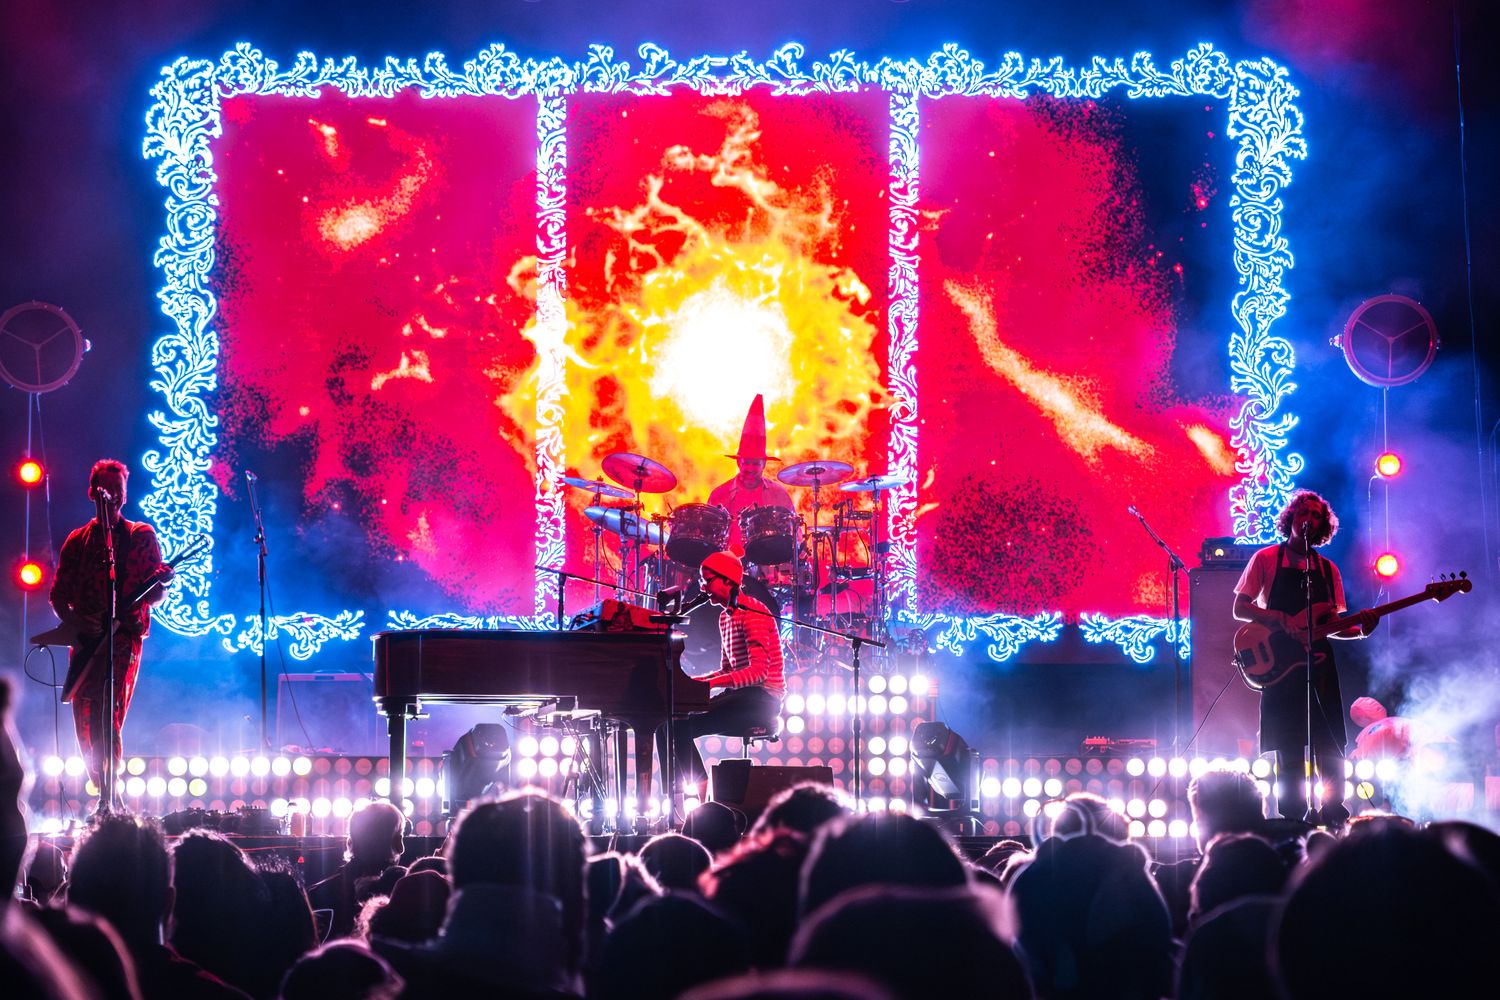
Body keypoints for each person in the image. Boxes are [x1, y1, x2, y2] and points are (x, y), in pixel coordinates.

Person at [1232, 490, 1378, 826]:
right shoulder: (1267, 558)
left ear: (1323, 526)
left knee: (1329, 745)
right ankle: (1292, 821)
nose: (1308, 519)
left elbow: (1334, 625)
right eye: (1303, 513)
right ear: (1291, 519)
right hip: (1281, 666)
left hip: (1319, 663)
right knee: (1289, 746)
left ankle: (1334, 816)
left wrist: (1361, 631)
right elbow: (1241, 608)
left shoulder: (1327, 569)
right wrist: (1277, 617)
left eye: (1315, 515)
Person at [49, 459, 172, 801]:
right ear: (93, 493)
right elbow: (58, 595)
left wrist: (163, 584)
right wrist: (76, 622)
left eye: (119, 490)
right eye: (106, 489)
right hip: (86, 640)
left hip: (123, 637)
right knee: (83, 716)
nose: (113, 495)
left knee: (108, 708)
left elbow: (154, 596)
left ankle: (110, 797)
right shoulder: (78, 540)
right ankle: (102, 792)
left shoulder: (140, 535)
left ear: (125, 495)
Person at [670, 550, 785, 795]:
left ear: (727, 579)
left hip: (761, 699)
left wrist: (710, 685)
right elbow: (728, 670)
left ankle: (699, 797)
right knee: (668, 723)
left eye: (707, 580)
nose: (703, 587)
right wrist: (698, 681)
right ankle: (676, 797)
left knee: (679, 724)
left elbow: (758, 674)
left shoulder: (752, 612)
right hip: (742, 696)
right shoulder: (725, 618)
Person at [707, 394, 794, 554]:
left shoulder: (779, 494)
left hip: (769, 564)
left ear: (764, 465)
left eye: (755, 464)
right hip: (728, 564)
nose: (750, 468)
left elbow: (794, 534)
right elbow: (708, 537)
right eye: (746, 462)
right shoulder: (719, 495)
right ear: (738, 463)